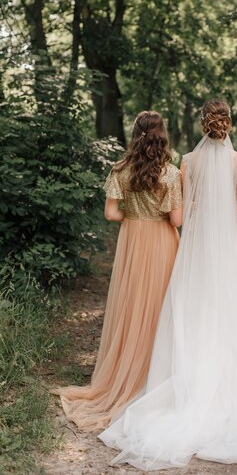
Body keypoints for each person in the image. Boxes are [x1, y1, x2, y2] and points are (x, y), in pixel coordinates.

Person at [98, 99, 237, 470]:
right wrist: (234, 210)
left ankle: (190, 373)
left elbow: (183, 212)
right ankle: (230, 381)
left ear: (204, 125)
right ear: (228, 124)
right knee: (230, 306)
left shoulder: (187, 162)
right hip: (230, 242)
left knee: (196, 306)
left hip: (198, 242)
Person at [56, 111, 182, 432]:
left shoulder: (120, 169)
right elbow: (176, 220)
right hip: (162, 241)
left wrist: (133, 215)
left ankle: (127, 369)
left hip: (133, 240)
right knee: (161, 305)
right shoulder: (170, 173)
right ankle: (158, 374)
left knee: (132, 304)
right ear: (161, 135)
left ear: (135, 133)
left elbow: (111, 213)